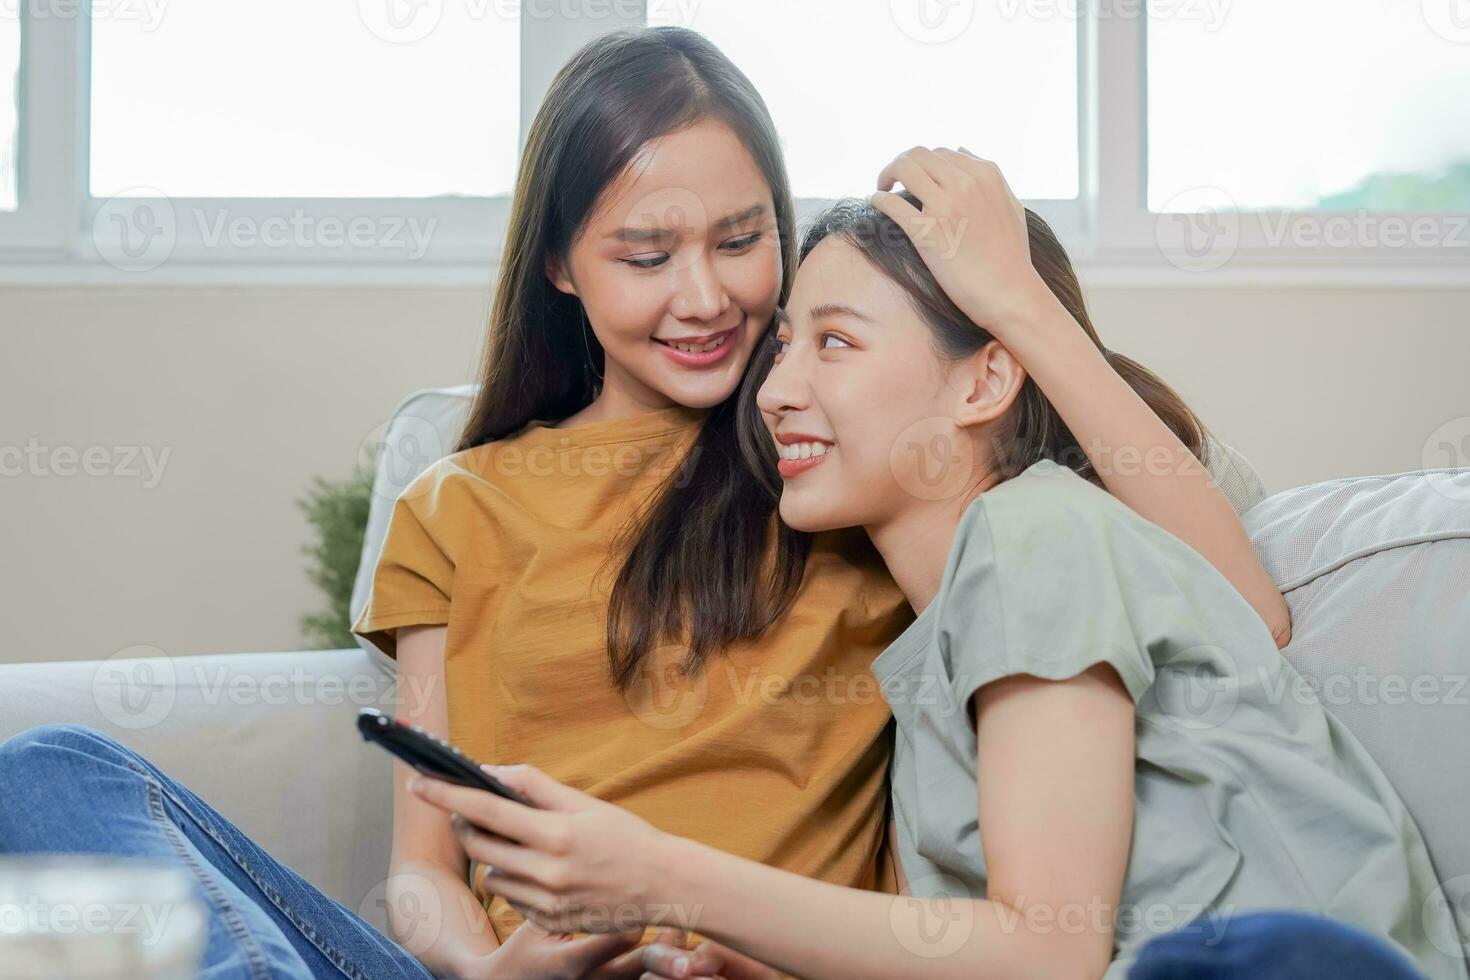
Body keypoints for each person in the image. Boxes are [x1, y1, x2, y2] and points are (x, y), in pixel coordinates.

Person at [0, 29, 1289, 979]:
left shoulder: (832, 472)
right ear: (559, 262)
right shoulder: (457, 502)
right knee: (58, 768)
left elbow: (1220, 602)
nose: (707, 296)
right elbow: (421, 869)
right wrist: (497, 971)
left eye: (741, 238)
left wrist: (1018, 302)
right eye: (644, 253)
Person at [402, 151, 1461, 980]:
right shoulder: (932, 672)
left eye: (835, 343)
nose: (773, 393)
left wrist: (659, 870)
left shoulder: (1037, 532)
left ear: (985, 378)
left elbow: (1048, 950)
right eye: (783, 347)